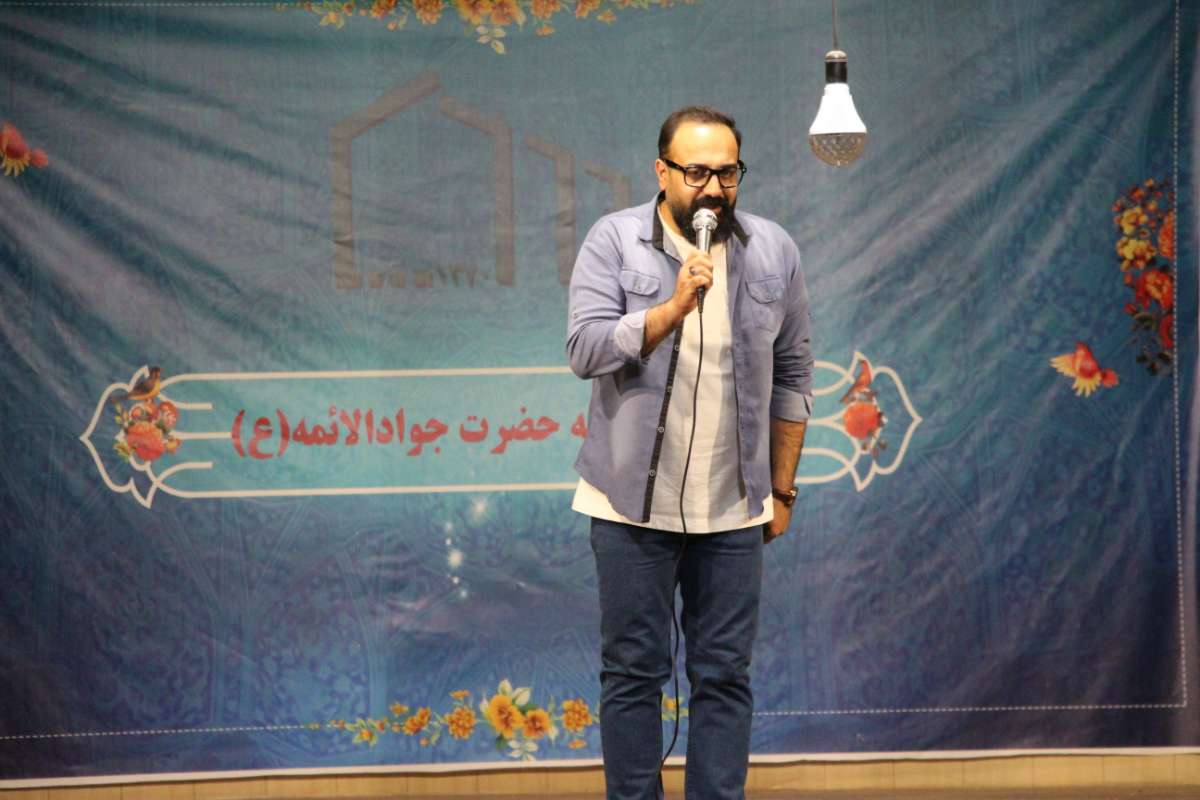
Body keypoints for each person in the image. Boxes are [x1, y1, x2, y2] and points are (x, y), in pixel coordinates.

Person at [565, 105, 814, 800]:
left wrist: (782, 489)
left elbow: (795, 374)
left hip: (733, 507)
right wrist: (670, 309)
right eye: (697, 173)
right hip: (629, 506)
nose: (713, 190)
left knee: (725, 676)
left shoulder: (773, 250)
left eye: (727, 174)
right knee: (633, 675)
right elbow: (584, 349)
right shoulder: (614, 240)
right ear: (662, 171)